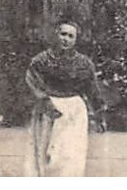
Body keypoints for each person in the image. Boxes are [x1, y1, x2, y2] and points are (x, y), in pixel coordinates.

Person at [23, 19, 103, 177]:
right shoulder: (41, 60)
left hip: (74, 111)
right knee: (44, 153)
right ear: (56, 35)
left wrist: (99, 114)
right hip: (48, 108)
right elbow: (32, 82)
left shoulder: (84, 63)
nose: (66, 39)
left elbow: (92, 89)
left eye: (71, 36)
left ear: (76, 39)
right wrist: (45, 101)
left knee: (70, 155)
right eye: (63, 34)